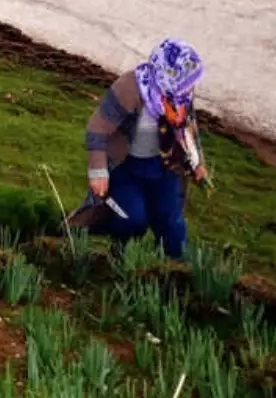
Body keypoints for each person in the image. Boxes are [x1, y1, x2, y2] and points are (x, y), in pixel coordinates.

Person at [73, 37, 210, 260]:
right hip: (126, 168)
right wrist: (98, 172)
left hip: (165, 167)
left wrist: (198, 163)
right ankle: (119, 257)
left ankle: (176, 273)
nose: (191, 87)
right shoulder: (129, 87)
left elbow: (188, 129)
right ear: (166, 73)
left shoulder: (180, 95)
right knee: (131, 220)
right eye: (186, 81)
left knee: (171, 224)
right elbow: (97, 128)